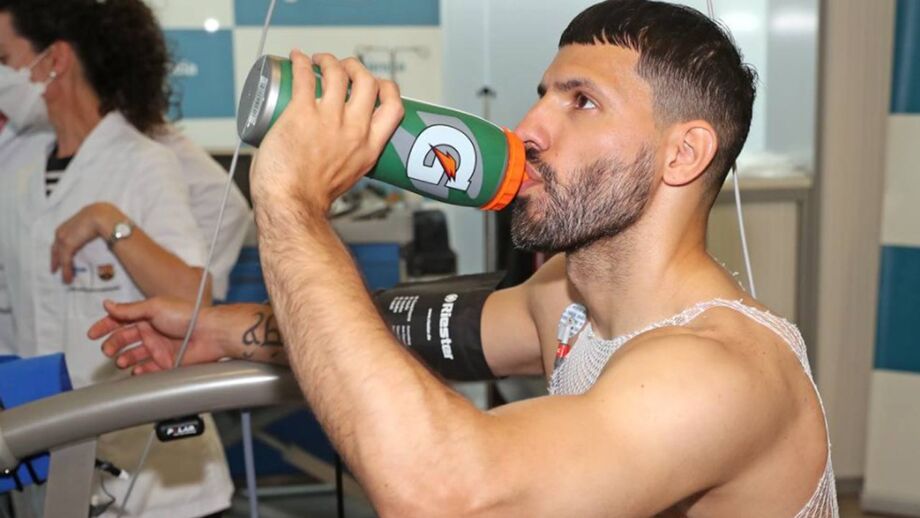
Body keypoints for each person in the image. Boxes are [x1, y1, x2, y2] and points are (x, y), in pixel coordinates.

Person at [90, 1, 838, 516]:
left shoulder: (717, 373)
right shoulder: (565, 299)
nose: (528, 127)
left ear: (685, 153)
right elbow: (410, 326)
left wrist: (289, 204)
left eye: (581, 102)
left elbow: (446, 493)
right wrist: (218, 330)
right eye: (542, 95)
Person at [0, 0, 234, 515]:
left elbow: (193, 299)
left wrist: (110, 222)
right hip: (51, 465)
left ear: (54, 61)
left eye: (4, 58)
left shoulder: (143, 162)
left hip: (158, 480)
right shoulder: (13, 168)